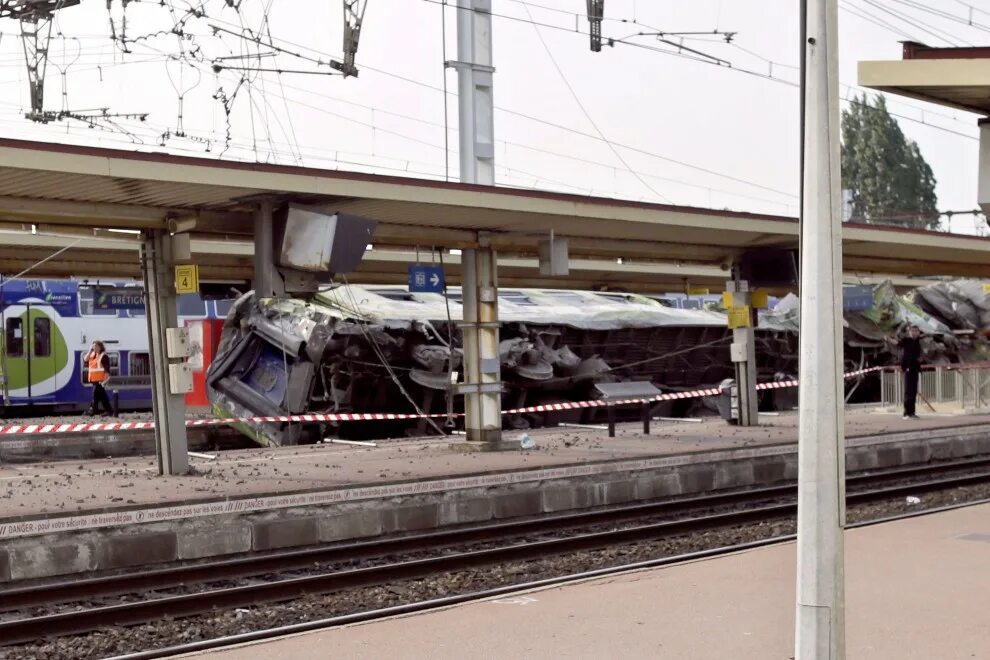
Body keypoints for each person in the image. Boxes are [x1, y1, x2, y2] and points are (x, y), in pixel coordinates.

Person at [886, 325, 923, 419]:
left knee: (913, 391)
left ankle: (912, 412)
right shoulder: (907, 340)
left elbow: (918, 354)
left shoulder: (918, 342)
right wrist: (889, 339)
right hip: (908, 367)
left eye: (916, 331)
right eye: (912, 331)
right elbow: (897, 343)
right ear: (909, 332)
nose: (914, 332)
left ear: (918, 332)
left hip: (915, 368)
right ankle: (906, 413)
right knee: (908, 391)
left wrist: (920, 359)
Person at [85, 340, 115, 417]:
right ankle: (109, 411)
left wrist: (105, 380)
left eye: (96, 346)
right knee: (102, 396)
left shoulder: (103, 355)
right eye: (93, 346)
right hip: (94, 379)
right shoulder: (92, 354)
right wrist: (89, 351)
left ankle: (93, 410)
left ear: (100, 347)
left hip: (100, 380)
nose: (94, 348)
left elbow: (107, 369)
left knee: (95, 395)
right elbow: (85, 359)